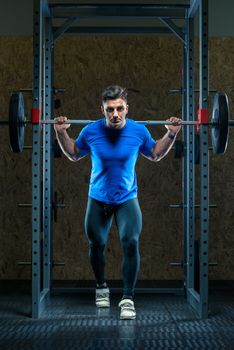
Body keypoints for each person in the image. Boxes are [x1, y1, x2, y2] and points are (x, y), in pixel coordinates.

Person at [54, 85, 181, 320]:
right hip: (98, 198)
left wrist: (171, 133)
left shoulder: (138, 131)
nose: (115, 114)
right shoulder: (91, 131)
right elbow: (73, 153)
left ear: (126, 108)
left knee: (131, 242)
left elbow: (154, 154)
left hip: (126, 199)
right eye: (110, 109)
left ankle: (128, 298)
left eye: (119, 108)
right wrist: (61, 132)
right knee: (96, 245)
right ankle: (101, 286)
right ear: (102, 110)